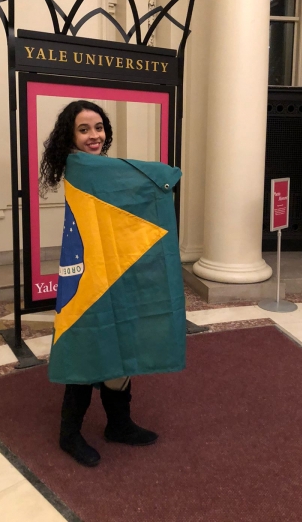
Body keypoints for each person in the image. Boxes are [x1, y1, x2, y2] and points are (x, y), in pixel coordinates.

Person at [39, 100, 185, 467]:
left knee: (121, 341)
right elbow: (145, 178)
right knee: (86, 347)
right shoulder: (82, 168)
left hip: (116, 271)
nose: (94, 135)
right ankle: (69, 434)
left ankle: (119, 424)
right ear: (69, 136)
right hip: (90, 275)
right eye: (84, 129)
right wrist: (165, 175)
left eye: (99, 127)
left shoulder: (103, 169)